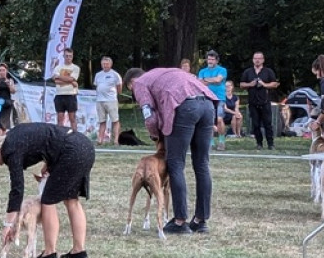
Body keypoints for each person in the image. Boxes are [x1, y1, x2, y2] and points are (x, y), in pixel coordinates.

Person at [0, 124, 95, 258]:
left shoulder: (10, 150)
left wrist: (8, 224)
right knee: (71, 200)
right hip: (83, 145)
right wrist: (48, 163)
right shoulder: (14, 135)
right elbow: (47, 138)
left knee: (48, 201)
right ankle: (79, 251)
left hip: (71, 151)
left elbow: (17, 189)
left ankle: (50, 253)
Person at [123, 66, 216, 234]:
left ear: (132, 82)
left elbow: (149, 117)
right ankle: (200, 220)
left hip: (185, 107)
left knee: (175, 163)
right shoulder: (162, 73)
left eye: (131, 91)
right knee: (202, 163)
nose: (135, 94)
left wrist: (155, 136)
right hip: (208, 105)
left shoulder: (140, 83)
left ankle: (180, 221)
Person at [239, 51, 280, 150]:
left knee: (268, 124)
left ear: (263, 60)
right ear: (253, 60)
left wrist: (264, 85)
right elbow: (241, 85)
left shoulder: (268, 71)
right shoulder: (248, 72)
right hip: (253, 102)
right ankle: (259, 143)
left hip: (265, 102)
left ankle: (271, 144)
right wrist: (250, 84)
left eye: (259, 58)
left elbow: (275, 84)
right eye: (255, 58)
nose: (257, 60)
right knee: (255, 124)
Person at [198, 50, 228, 151]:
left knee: (219, 119)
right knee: (209, 121)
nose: (210, 61)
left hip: (219, 98)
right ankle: (210, 142)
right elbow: (200, 83)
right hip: (207, 98)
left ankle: (221, 141)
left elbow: (218, 80)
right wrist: (213, 80)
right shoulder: (202, 71)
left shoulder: (222, 70)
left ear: (217, 60)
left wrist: (207, 80)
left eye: (212, 59)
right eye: (208, 59)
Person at [93, 56, 122, 145]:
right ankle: (100, 140)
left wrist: (116, 94)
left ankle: (116, 140)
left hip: (111, 100)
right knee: (102, 121)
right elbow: (96, 85)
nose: (105, 65)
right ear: (101, 65)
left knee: (115, 120)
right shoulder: (98, 74)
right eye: (103, 64)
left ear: (111, 64)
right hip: (100, 100)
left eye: (107, 63)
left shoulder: (115, 74)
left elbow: (119, 86)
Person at [52, 48, 80, 129]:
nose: (68, 58)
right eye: (66, 56)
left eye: (70, 56)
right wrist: (71, 82)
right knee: (60, 118)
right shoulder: (58, 67)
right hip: (59, 95)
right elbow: (56, 81)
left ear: (72, 56)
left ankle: (75, 137)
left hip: (71, 95)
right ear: (63, 56)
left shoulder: (76, 68)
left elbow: (72, 79)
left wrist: (59, 76)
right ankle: (60, 137)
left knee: (72, 118)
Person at [0, 63, 17, 135]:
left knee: (5, 125)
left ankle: (2, 141)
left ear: (6, 71)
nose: (2, 72)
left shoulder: (10, 80)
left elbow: (13, 91)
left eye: (3, 70)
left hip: (7, 103)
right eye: (0, 70)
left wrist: (9, 85)